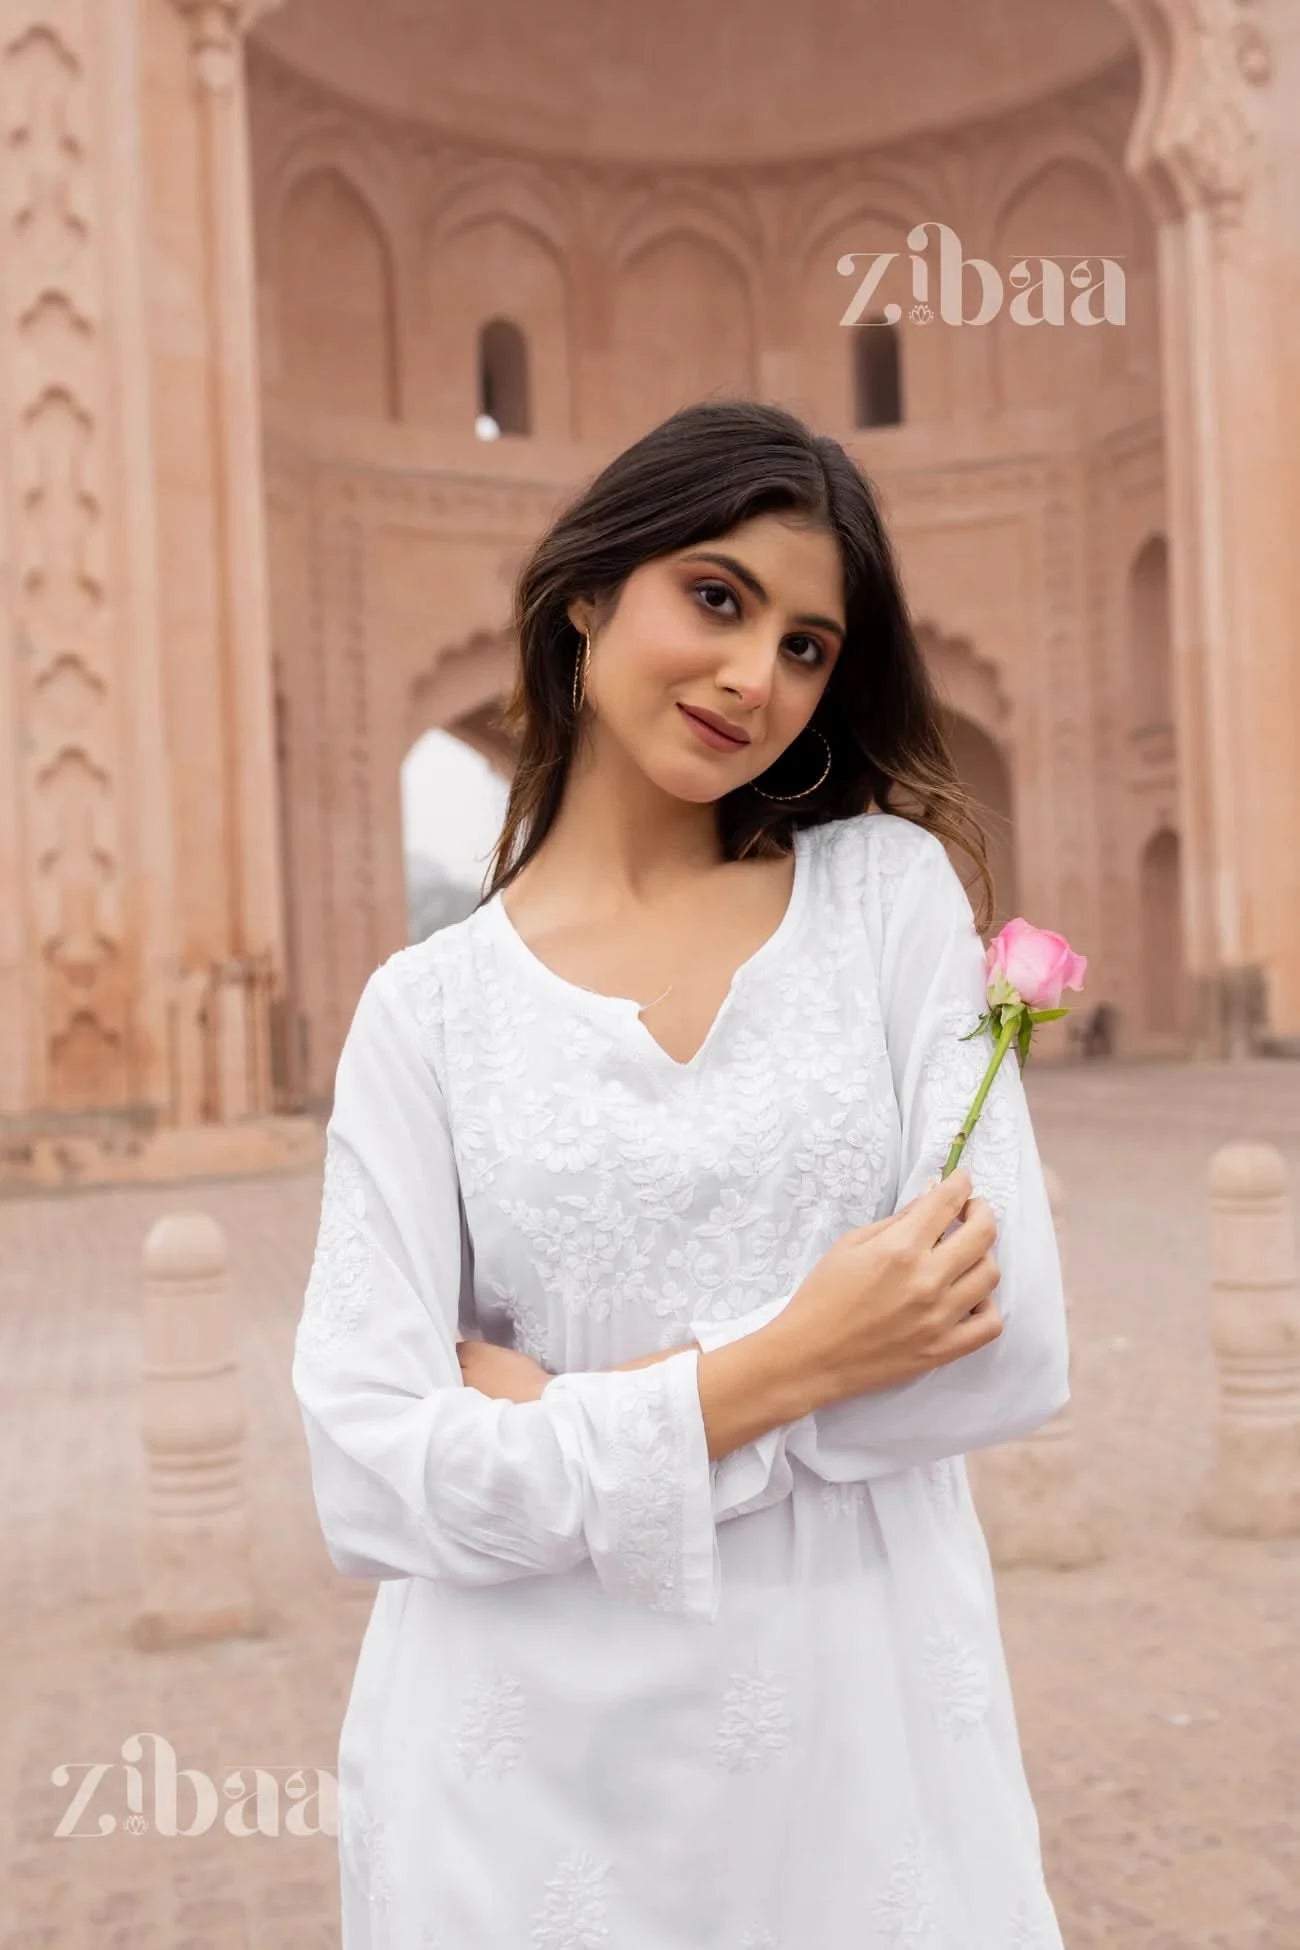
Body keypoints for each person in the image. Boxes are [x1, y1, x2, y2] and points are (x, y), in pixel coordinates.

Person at [292, 398, 1071, 1949]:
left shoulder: (881, 903)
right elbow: (373, 1473)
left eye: (807, 645)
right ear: (589, 592)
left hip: (864, 1764)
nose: (754, 676)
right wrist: (798, 1355)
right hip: (520, 1785)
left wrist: (570, 1413)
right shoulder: (429, 1014)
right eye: (716, 597)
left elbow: (1012, 1350)